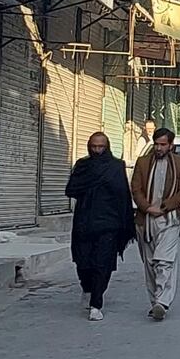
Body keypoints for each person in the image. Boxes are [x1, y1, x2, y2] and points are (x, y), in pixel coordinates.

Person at [64, 132, 134, 322]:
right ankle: (87, 289)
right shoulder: (82, 166)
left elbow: (122, 195)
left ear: (107, 146)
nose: (97, 150)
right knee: (83, 263)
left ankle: (96, 303)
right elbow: (71, 189)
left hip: (109, 224)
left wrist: (125, 223)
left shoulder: (115, 166)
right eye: (94, 147)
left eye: (101, 147)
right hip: (84, 222)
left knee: (102, 264)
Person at [131, 126, 180, 321]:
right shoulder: (142, 163)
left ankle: (162, 302)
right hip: (145, 220)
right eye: (156, 144)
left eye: (163, 144)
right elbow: (136, 189)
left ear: (171, 145)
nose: (158, 148)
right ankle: (154, 301)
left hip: (169, 219)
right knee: (149, 264)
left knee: (163, 262)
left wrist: (165, 207)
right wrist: (147, 208)